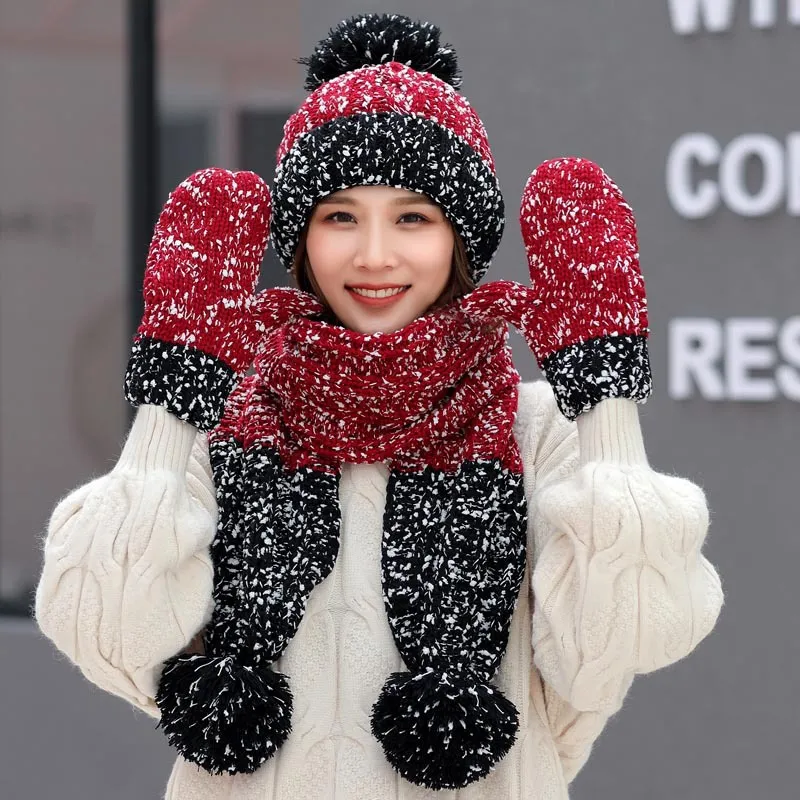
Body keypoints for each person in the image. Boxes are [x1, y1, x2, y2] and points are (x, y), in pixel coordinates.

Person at [34, 13, 723, 800]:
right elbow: (111, 638)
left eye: (412, 217)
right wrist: (172, 402)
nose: (373, 256)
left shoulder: (536, 435)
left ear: (460, 238)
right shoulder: (227, 429)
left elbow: (615, 649)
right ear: (300, 240)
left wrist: (604, 405)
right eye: (339, 217)